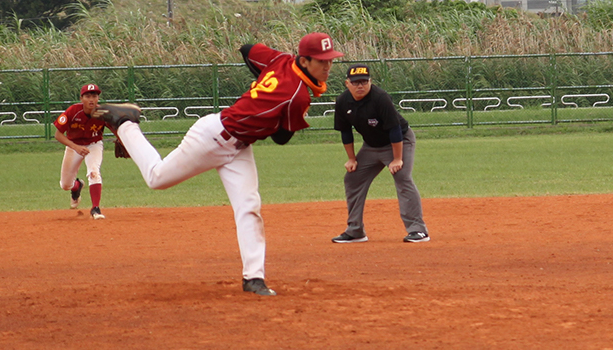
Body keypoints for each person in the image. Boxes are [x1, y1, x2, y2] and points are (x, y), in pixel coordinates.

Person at [93, 32, 344, 297]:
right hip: (213, 138)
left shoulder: (281, 59)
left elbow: (248, 49)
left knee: (249, 207)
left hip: (239, 147)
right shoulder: (298, 97)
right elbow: (281, 138)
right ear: (304, 62)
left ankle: (254, 278)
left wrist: (260, 85)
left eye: (330, 60)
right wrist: (276, 106)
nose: (327, 66)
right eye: (321, 61)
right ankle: (125, 123)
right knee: (157, 178)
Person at [331, 64, 429, 244]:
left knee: (402, 177)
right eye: (355, 82)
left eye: (364, 81)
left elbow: (395, 129)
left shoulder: (380, 98)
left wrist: (397, 159)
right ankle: (355, 230)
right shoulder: (343, 102)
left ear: (370, 82)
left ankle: (418, 230)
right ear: (347, 83)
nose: (360, 86)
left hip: (399, 141)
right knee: (352, 178)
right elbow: (345, 132)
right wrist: (352, 159)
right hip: (371, 146)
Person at [55, 83, 110, 220]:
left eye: (94, 96)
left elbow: (115, 128)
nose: (91, 99)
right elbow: (58, 135)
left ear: (98, 98)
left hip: (94, 145)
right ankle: (77, 186)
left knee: (94, 172)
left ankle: (95, 209)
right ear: (81, 99)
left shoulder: (102, 113)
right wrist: (76, 147)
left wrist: (122, 140)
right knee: (65, 184)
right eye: (88, 96)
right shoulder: (73, 111)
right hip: (74, 146)